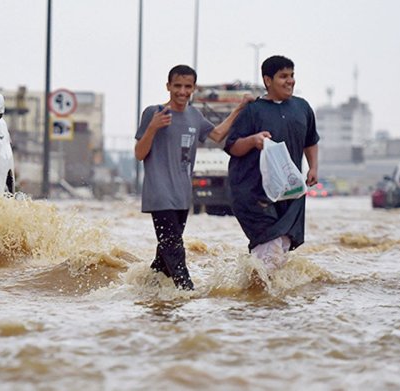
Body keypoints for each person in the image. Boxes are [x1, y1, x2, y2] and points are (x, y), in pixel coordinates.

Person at [135, 64, 250, 290]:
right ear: (168, 86)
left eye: (187, 86)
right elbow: (139, 153)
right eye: (177, 86)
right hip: (159, 194)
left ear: (193, 89)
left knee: (164, 256)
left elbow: (217, 135)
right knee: (175, 248)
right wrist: (152, 128)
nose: (182, 91)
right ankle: (188, 293)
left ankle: (145, 291)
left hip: (182, 196)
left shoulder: (194, 115)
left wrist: (239, 109)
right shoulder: (153, 112)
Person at [224, 55, 319, 274]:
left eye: (292, 75)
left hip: (289, 192)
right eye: (283, 76)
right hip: (254, 194)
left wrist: (313, 167)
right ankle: (261, 301)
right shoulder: (253, 111)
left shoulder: (302, 108)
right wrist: (253, 140)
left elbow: (311, 141)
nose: (290, 81)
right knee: (270, 246)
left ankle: (262, 300)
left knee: (282, 246)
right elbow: (233, 146)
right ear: (268, 80)